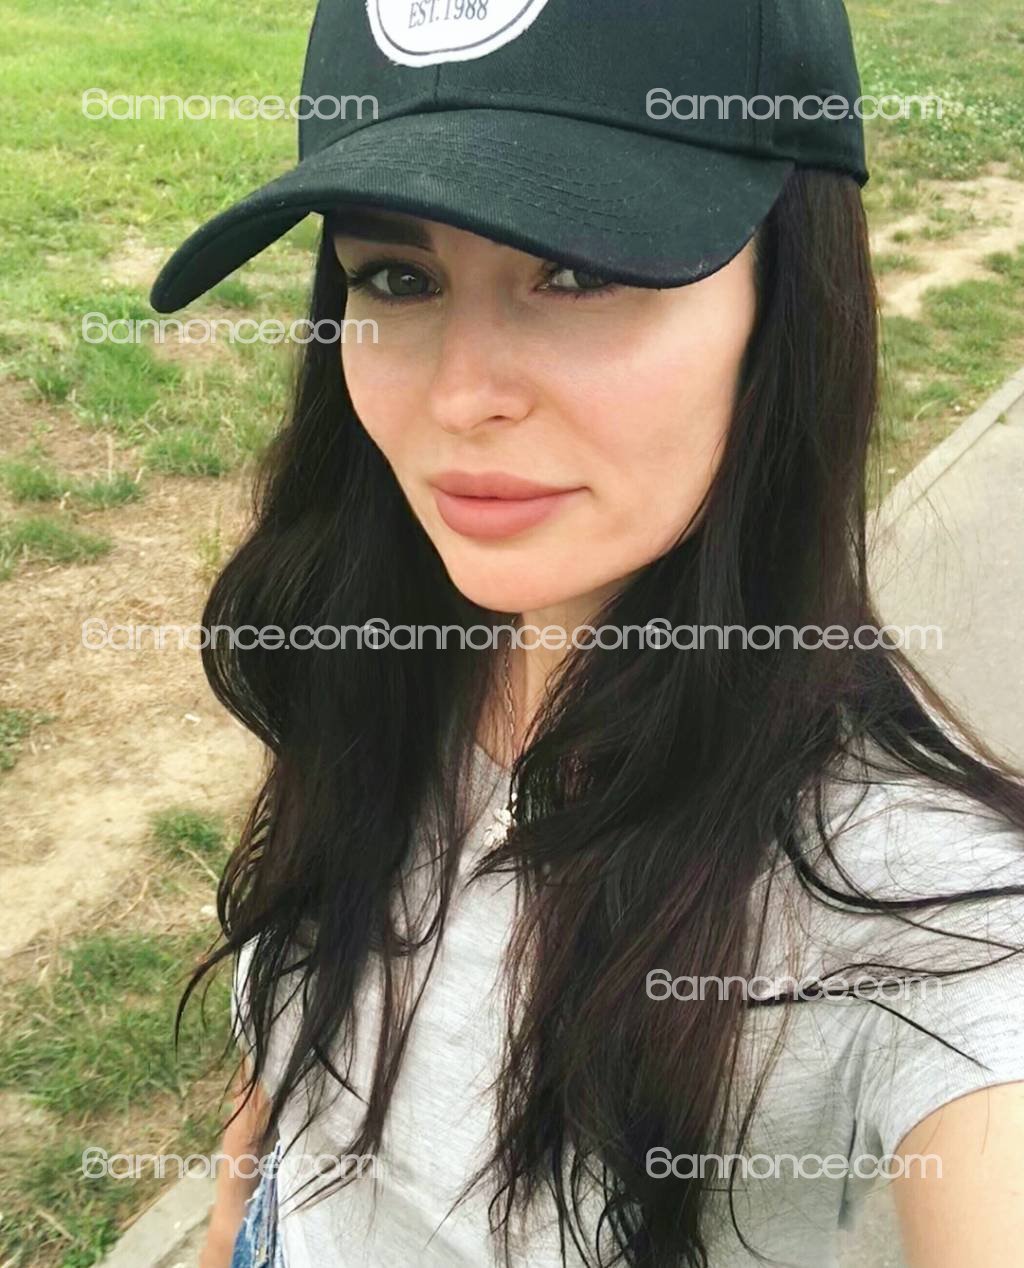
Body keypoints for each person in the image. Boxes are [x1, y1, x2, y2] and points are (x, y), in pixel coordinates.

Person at [150, 2, 1024, 1266]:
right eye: (397, 277)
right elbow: (310, 980)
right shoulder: (382, 638)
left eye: (575, 273)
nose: (460, 396)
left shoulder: (920, 907)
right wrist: (241, 1203)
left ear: (789, 304)